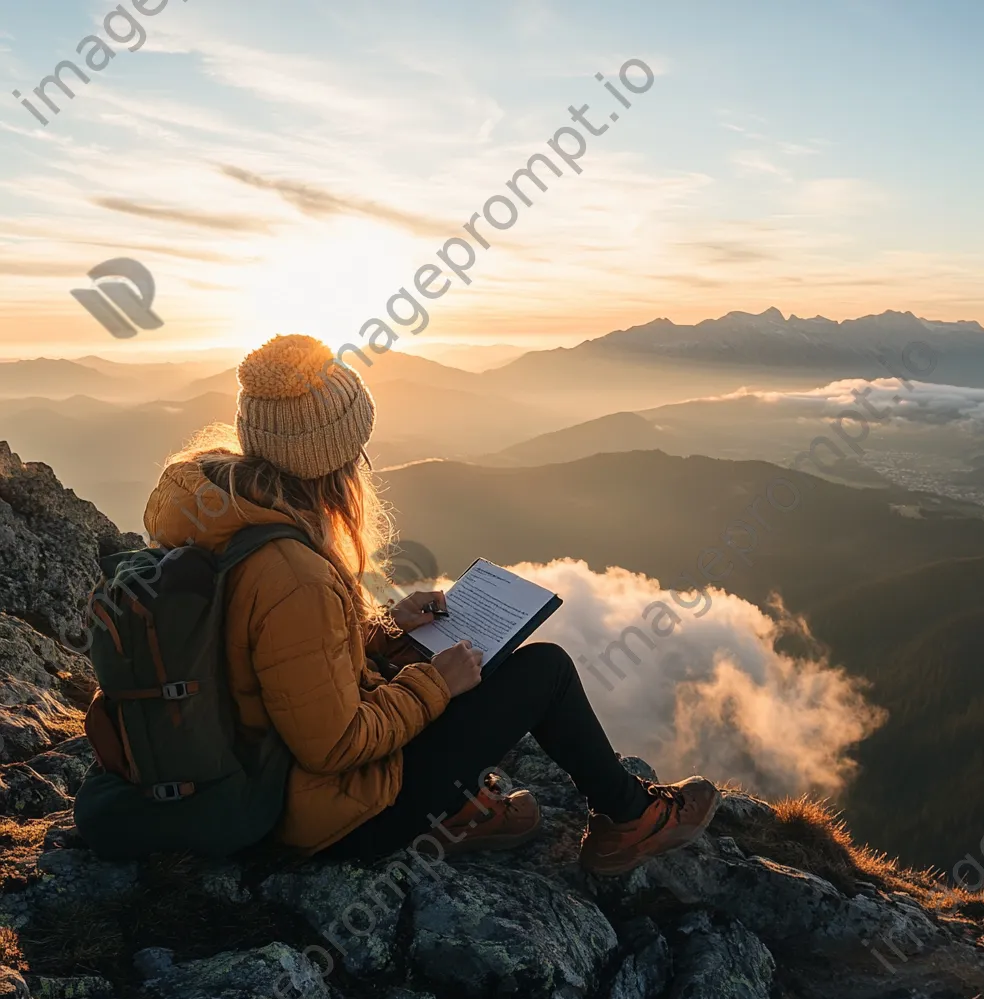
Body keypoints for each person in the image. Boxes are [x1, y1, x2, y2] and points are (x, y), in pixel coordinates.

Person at [142, 334, 720, 876]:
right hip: (325, 823)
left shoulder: (213, 513)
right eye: (357, 451)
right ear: (332, 462)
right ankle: (631, 821)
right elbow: (333, 746)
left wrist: (385, 630)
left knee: (433, 664)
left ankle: (462, 808)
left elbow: (271, 664)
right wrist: (435, 684)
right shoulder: (296, 575)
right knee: (544, 672)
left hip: (254, 773)